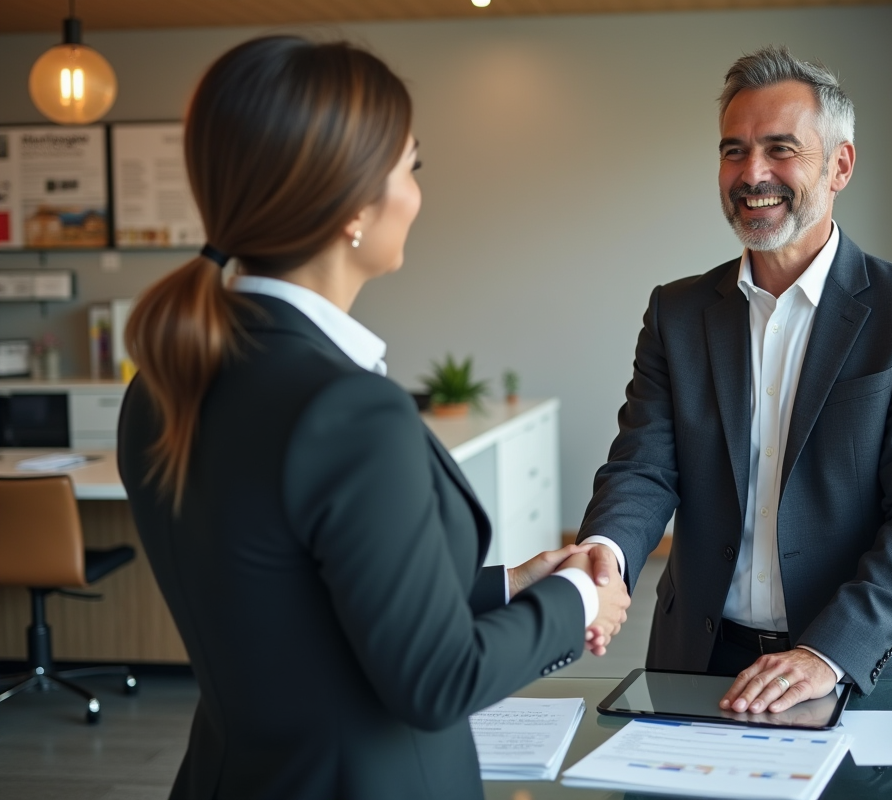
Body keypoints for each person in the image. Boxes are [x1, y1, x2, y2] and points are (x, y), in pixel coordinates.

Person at [117, 36, 628, 800]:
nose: (418, 193)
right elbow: (436, 681)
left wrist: (513, 583)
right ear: (355, 204)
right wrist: (580, 599)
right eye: (409, 167)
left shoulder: (164, 380)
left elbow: (299, 607)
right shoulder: (349, 410)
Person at [577, 46, 892, 714]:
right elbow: (643, 467)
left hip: (866, 668)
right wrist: (604, 553)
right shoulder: (677, 313)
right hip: (702, 663)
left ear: (840, 164)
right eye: (734, 151)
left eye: (781, 149)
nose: (752, 173)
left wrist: (829, 653)